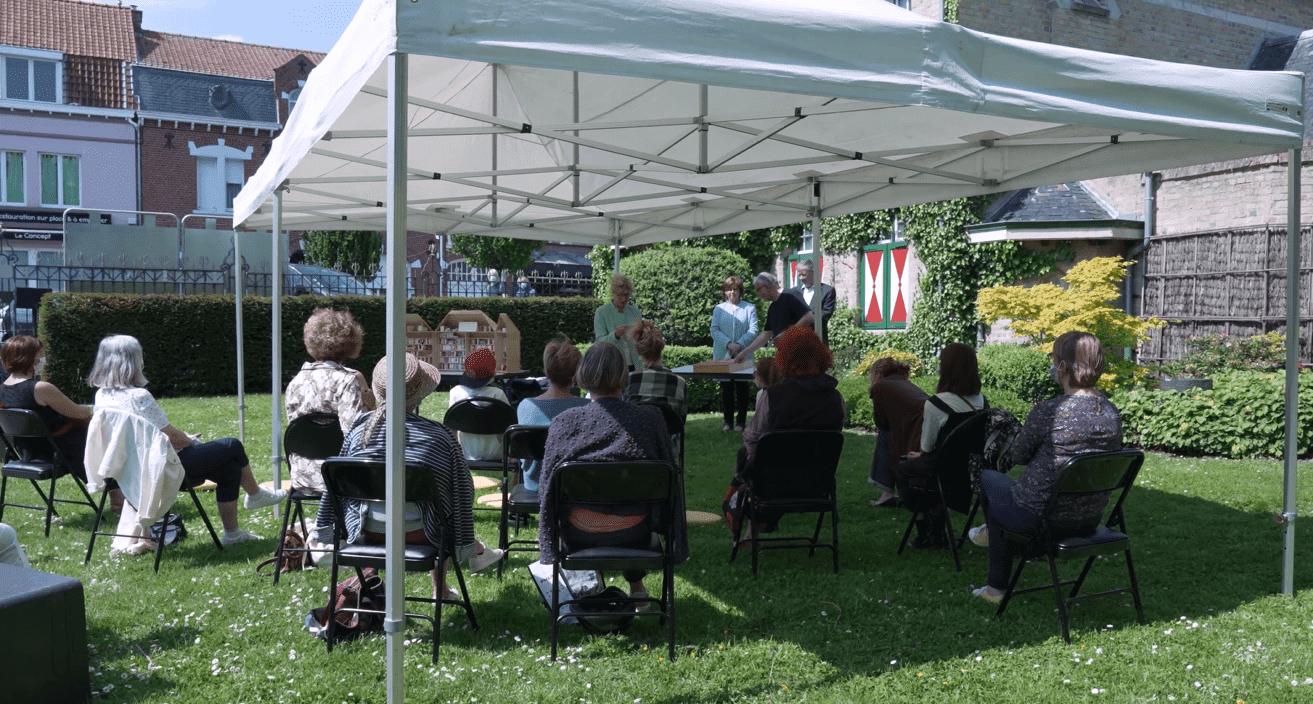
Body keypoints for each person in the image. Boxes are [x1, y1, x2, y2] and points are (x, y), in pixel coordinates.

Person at [315, 353, 504, 598]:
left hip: (367, 528)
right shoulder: (437, 437)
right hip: (423, 534)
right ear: (417, 396)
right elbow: (462, 491)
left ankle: (454, 576)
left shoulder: (358, 431)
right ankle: (443, 588)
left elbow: (337, 489)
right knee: (440, 512)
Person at [87, 335, 285, 547]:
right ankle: (255, 495)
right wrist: (189, 440)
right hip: (159, 473)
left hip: (129, 472)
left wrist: (182, 440)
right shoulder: (138, 396)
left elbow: (147, 435)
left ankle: (233, 534)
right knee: (232, 446)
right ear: (132, 362)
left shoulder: (103, 396)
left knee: (229, 467)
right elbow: (170, 435)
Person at [972, 332, 1122, 604]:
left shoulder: (1049, 411)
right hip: (1088, 519)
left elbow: (1018, 455)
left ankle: (995, 587)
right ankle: (992, 534)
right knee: (1003, 496)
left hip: (1039, 519)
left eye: (1054, 360)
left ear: (1063, 366)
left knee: (989, 478)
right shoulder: (1112, 412)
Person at [539, 343, 687, 607]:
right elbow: (672, 480)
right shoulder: (650, 419)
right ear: (623, 375)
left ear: (582, 374)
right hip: (635, 531)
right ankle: (636, 588)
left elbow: (546, 489)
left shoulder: (564, 422)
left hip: (577, 532)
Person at [725, 328, 845, 541]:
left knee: (746, 455)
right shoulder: (836, 398)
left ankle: (751, 528)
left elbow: (751, 437)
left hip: (771, 484)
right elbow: (833, 437)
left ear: (785, 359)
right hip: (817, 484)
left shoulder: (772, 396)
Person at [897, 342, 987, 549]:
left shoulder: (936, 404)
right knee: (929, 475)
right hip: (970, 472)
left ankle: (926, 532)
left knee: (904, 470)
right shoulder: (982, 401)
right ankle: (936, 531)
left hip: (943, 472)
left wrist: (917, 456)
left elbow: (927, 448)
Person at [284, 308, 376, 495]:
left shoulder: (295, 382)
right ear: (350, 343)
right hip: (339, 477)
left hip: (302, 477)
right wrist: (371, 407)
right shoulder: (347, 381)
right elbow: (356, 435)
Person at [0, 335, 92, 483]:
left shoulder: (2, 390)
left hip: (28, 452)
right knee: (103, 434)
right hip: (58, 451)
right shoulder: (41, 388)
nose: (43, 359)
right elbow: (79, 413)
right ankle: (117, 496)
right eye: (41, 355)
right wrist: (90, 408)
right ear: (27, 358)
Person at [516, 338, 588, 494]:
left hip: (534, 485)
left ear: (547, 370)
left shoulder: (525, 406)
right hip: (572, 486)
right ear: (576, 374)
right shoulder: (586, 407)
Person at [868, 357, 928, 509]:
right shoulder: (901, 382)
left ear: (875, 373)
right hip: (926, 426)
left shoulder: (880, 387)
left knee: (885, 436)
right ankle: (899, 493)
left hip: (918, 431)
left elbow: (881, 422)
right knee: (890, 436)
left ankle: (886, 494)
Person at [710, 275, 758, 431]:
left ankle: (741, 422)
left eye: (735, 289)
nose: (732, 292)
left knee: (742, 389)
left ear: (740, 291)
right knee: (726, 390)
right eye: (729, 289)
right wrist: (728, 344)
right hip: (723, 354)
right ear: (725, 292)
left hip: (743, 353)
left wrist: (739, 344)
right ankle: (728, 422)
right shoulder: (719, 308)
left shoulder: (749, 308)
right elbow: (714, 329)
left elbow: (753, 330)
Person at [732, 272, 813, 363]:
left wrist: (787, 334)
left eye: (758, 289)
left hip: (801, 356)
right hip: (786, 357)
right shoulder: (773, 307)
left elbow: (809, 317)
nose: (757, 294)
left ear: (767, 286)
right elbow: (766, 334)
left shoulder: (791, 295)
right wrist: (744, 353)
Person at [448, 348, 509, 462]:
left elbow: (451, 428)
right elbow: (507, 426)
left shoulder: (455, 393)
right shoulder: (498, 394)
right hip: (496, 453)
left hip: (465, 453)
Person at [624, 320, 688, 418]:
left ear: (638, 351)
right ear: (661, 348)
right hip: (667, 432)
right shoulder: (680, 383)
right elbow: (681, 420)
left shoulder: (628, 380)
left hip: (635, 432)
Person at [593, 274, 642, 370]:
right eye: (619, 295)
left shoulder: (635, 312)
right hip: (612, 364)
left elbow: (640, 340)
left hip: (635, 364)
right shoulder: (601, 312)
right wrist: (615, 335)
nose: (623, 299)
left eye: (626, 295)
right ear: (613, 293)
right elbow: (599, 342)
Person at [787, 258, 835, 346]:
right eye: (799, 275)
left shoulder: (827, 291)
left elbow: (826, 314)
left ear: (813, 272)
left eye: (804, 275)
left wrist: (807, 319)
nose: (801, 278)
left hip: (817, 341)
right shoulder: (793, 292)